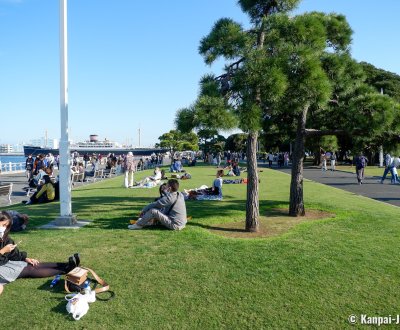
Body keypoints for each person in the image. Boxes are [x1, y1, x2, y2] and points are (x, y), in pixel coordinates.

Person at [0, 212, 80, 296]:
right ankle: (66, 269)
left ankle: (67, 265)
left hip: (5, 262)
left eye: (6, 226)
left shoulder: (4, 236)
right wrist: (3, 251)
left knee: (33, 265)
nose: (4, 228)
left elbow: (13, 254)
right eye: (3, 225)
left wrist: (25, 258)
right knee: (29, 270)